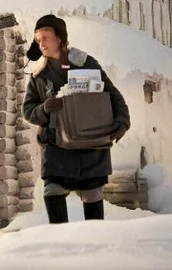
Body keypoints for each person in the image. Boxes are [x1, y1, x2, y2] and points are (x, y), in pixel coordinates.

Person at [22, 14, 130, 224]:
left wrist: (122, 122)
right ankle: (61, 242)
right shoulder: (38, 75)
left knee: (92, 196)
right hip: (56, 146)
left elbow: (112, 94)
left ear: (60, 38)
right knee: (53, 191)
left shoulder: (87, 64)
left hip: (90, 144)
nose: (41, 43)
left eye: (45, 37)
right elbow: (28, 110)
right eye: (38, 39)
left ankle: (94, 242)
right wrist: (44, 109)